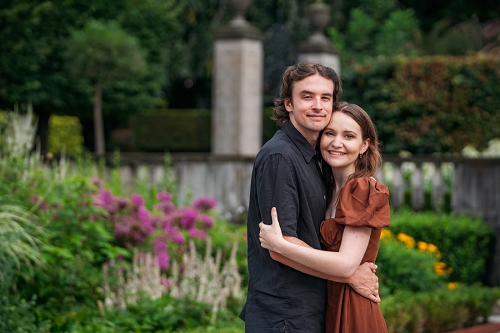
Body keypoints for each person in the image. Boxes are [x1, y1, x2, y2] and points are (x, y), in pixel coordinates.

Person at [239, 63, 380, 333]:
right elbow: (280, 246)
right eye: (307, 96)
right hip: (284, 316)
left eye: (325, 97)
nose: (317, 105)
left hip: (304, 312)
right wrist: (350, 274)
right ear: (288, 104)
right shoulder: (281, 157)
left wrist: (346, 271)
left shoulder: (314, 160)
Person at [259, 102, 390, 333]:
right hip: (326, 303)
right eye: (330, 133)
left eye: (348, 136)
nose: (336, 143)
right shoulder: (327, 189)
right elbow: (341, 269)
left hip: (353, 307)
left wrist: (279, 244)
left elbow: (345, 265)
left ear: (364, 146)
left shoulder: (362, 189)